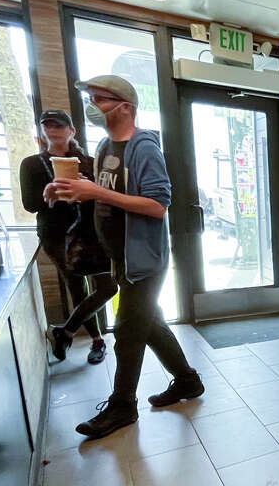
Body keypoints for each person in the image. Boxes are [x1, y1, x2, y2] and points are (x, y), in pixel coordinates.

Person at [49, 75, 203, 439]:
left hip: (144, 260)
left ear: (125, 107)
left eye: (100, 99)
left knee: (128, 331)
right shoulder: (104, 146)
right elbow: (106, 194)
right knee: (150, 324)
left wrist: (97, 192)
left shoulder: (143, 148)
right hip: (119, 257)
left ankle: (122, 406)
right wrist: (75, 192)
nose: (93, 106)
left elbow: (157, 205)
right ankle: (187, 381)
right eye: (91, 98)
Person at [19, 110, 114, 364]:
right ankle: (97, 341)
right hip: (56, 234)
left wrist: (88, 187)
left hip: (91, 232)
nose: (52, 129)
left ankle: (65, 331)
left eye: (59, 126)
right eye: (47, 125)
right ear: (41, 130)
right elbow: (30, 204)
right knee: (76, 286)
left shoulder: (89, 162)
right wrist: (53, 191)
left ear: (71, 131)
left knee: (108, 286)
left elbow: (103, 196)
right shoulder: (32, 164)